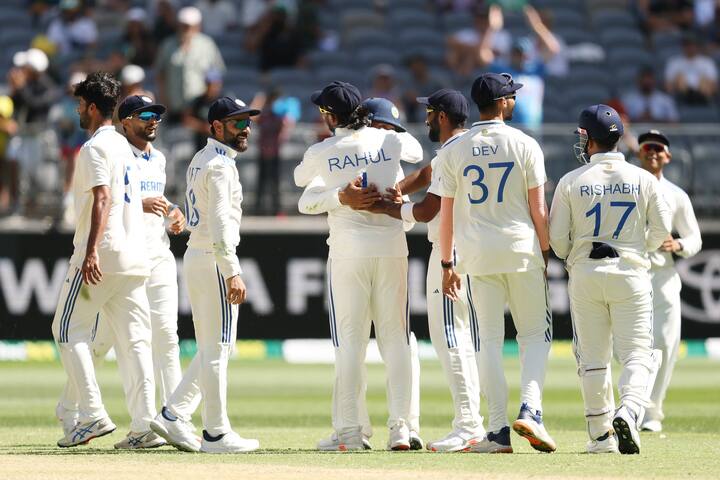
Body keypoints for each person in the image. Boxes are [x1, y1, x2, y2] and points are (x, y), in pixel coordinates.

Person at [294, 81, 423, 451]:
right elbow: (413, 149)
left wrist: (338, 194)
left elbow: (301, 182)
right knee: (396, 341)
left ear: (329, 116)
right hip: (392, 248)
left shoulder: (323, 149)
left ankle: (350, 432)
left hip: (348, 253)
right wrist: (379, 137)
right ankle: (401, 429)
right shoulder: (391, 140)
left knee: (350, 343)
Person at [438, 73, 555, 454]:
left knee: (487, 340)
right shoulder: (525, 143)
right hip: (521, 249)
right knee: (534, 335)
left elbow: (446, 214)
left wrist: (446, 262)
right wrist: (547, 248)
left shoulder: (455, 149)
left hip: (476, 255)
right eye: (512, 97)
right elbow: (539, 209)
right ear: (504, 103)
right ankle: (531, 410)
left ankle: (498, 430)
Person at [364, 90, 487, 452]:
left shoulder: (451, 151)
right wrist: (398, 189)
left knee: (451, 336)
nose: (428, 120)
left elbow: (427, 211)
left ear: (444, 117)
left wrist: (385, 207)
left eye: (431, 113)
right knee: (476, 339)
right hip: (482, 249)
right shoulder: (470, 145)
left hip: (452, 252)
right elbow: (428, 173)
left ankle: (469, 425)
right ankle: (487, 424)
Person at [549, 105, 671, 454]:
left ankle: (600, 437)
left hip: (585, 273)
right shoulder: (644, 179)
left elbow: (558, 241)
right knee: (638, 355)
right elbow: (661, 231)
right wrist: (635, 250)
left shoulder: (572, 181)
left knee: (592, 359)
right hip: (630, 273)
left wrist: (578, 255)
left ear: (589, 139)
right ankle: (631, 410)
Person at [51, 71, 158, 448]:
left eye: (81, 105)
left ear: (93, 108)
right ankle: (145, 427)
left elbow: (102, 198)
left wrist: (91, 249)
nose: (78, 111)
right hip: (133, 256)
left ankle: (92, 416)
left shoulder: (95, 148)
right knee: (135, 342)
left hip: (104, 253)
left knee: (65, 331)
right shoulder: (125, 148)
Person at [151, 96, 261, 454]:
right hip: (214, 260)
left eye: (246, 122)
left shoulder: (203, 159)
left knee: (213, 347)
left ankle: (173, 413)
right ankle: (216, 432)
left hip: (198, 256)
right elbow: (220, 224)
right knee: (218, 349)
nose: (245, 129)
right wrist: (232, 271)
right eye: (237, 123)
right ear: (216, 127)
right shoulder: (219, 166)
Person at [90, 95, 188, 426]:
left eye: (157, 115)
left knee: (167, 337)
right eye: (145, 115)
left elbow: (158, 199)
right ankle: (77, 407)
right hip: (127, 259)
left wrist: (174, 213)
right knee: (103, 342)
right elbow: (106, 200)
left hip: (159, 255)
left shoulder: (159, 158)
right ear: (125, 122)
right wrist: (139, 205)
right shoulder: (116, 155)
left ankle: (176, 417)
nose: (153, 120)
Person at [636, 129, 701, 432]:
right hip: (630, 272)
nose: (652, 152)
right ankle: (629, 407)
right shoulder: (626, 185)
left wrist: (679, 245)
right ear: (639, 152)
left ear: (668, 156)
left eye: (658, 148)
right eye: (647, 147)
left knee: (664, 342)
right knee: (629, 344)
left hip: (662, 276)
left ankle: (652, 412)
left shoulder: (676, 194)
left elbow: (694, 237)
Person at [155, 6, 225, 120]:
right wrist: (164, 101)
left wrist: (209, 100)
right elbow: (160, 76)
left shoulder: (207, 45)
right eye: (183, 26)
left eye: (189, 26)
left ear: (198, 26)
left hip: (199, 109)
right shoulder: (167, 45)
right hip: (174, 107)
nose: (186, 29)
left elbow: (216, 75)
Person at [253, 86, 299, 216]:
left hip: (275, 151)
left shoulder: (280, 115)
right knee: (261, 182)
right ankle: (258, 210)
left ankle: (276, 209)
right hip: (263, 151)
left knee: (275, 182)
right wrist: (259, 101)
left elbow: (287, 127)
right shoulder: (264, 114)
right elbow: (252, 120)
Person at [664, 34, 718, 104]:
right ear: (682, 46)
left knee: (704, 79)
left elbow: (713, 84)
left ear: (697, 46)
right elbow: (668, 84)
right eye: (687, 45)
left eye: (692, 45)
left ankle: (699, 99)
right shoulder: (674, 62)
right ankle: (687, 98)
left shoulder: (707, 62)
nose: (689, 47)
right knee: (680, 77)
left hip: (702, 93)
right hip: (682, 92)